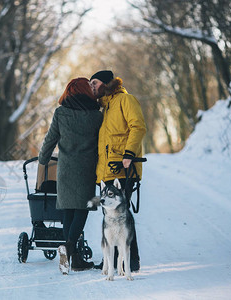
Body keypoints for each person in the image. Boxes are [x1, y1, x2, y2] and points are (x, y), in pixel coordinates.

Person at [38, 77, 103, 274]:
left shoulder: (61, 113)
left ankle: (74, 257)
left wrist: (42, 160)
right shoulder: (96, 116)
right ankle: (71, 249)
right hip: (86, 169)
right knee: (82, 209)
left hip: (65, 168)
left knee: (67, 210)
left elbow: (50, 139)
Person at [90, 70, 146, 272]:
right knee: (111, 217)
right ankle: (117, 260)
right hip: (106, 173)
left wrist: (129, 153)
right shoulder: (105, 108)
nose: (92, 87)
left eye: (94, 83)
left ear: (105, 83)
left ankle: (129, 261)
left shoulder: (126, 100)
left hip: (123, 170)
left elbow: (138, 127)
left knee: (122, 216)